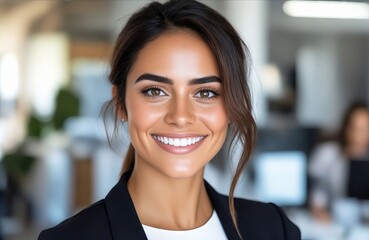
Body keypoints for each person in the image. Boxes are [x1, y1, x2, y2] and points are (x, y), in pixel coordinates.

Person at [38, 0, 300, 239]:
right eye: (155, 91)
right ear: (121, 103)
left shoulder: (274, 229)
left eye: (206, 92)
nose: (181, 116)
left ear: (231, 107)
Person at [309, 102, 369, 222]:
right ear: (347, 129)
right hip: (332, 223)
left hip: (367, 226)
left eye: (367, 129)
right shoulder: (328, 154)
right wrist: (319, 208)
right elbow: (318, 188)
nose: (363, 135)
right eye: (357, 129)